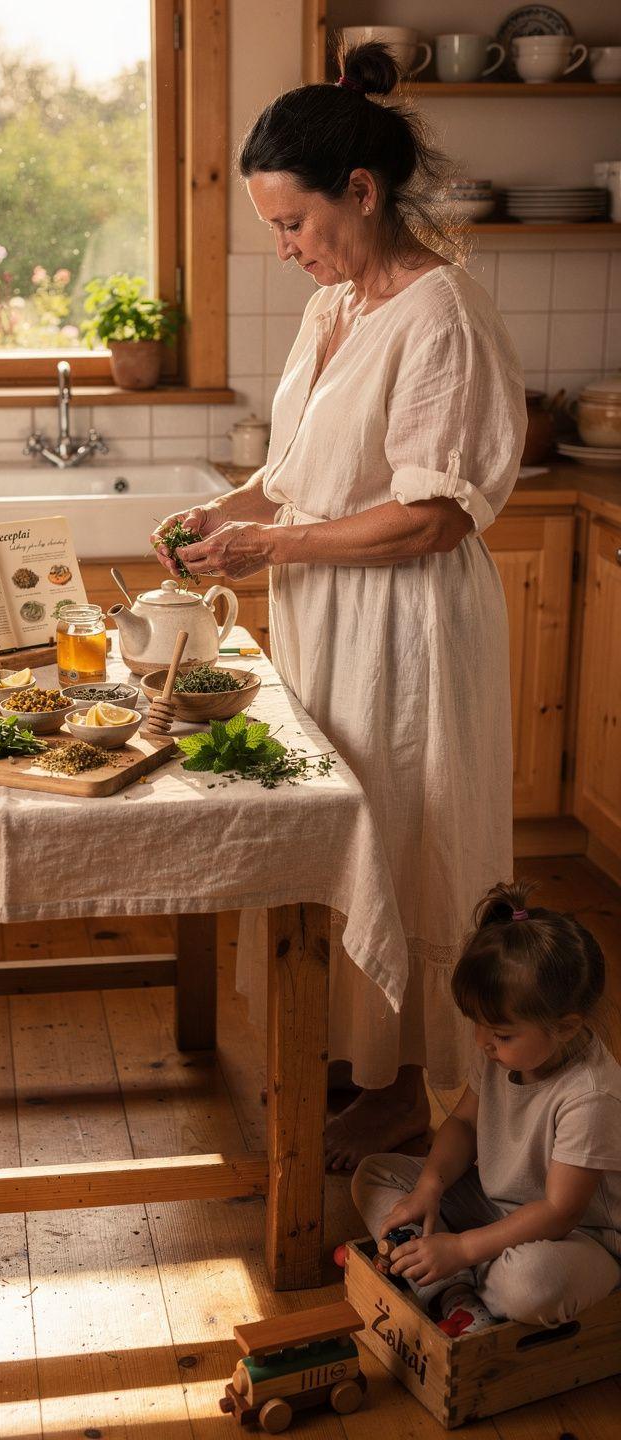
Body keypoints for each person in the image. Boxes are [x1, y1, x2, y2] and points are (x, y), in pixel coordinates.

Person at [151, 40, 527, 1171]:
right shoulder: (335, 312)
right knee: (330, 831)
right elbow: (302, 469)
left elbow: (432, 518)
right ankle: (352, 1055)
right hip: (328, 615)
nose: (282, 249)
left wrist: (269, 544)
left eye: (295, 225)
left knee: (410, 836)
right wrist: (226, 514)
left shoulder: (441, 316)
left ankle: (417, 1088)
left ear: (361, 194)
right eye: (271, 227)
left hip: (406, 630)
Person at [351, 881, 621, 1333]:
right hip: (498, 1208)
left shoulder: (590, 1096)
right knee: (375, 1173)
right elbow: (461, 1122)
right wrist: (430, 1187)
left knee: (532, 1284)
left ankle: (436, 1274)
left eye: (500, 1033)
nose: (482, 1042)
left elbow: (559, 1211)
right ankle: (455, 1290)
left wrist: (462, 1248)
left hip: (578, 1240)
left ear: (567, 1026)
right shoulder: (508, 1052)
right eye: (478, 1025)